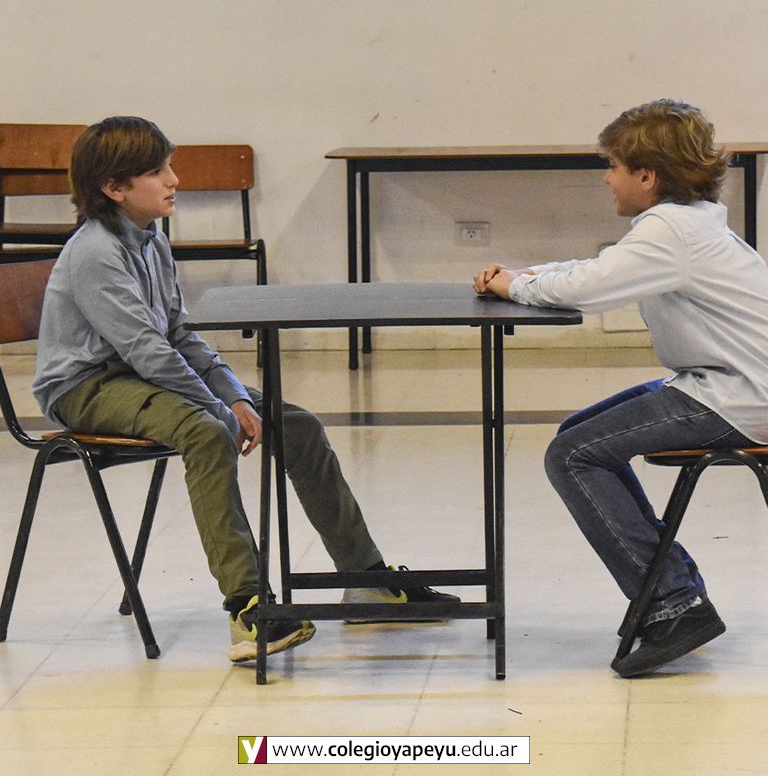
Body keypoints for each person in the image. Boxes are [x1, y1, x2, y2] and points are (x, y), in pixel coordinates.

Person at [33, 116, 458, 664]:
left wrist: (232, 394)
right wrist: (220, 410)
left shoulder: (151, 240)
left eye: (169, 167)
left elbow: (178, 334)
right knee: (206, 431)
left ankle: (365, 580)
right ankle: (248, 606)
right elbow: (146, 351)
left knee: (296, 424)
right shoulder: (96, 252)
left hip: (139, 375)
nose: (174, 180)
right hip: (87, 386)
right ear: (114, 188)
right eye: (158, 172)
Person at [473, 99, 768, 677]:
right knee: (578, 434)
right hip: (726, 383)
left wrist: (514, 286)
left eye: (612, 166)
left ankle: (675, 604)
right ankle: (672, 586)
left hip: (740, 396)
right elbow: (602, 268)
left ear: (647, 175)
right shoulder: (686, 223)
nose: (607, 178)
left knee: (572, 454)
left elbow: (587, 289)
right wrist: (524, 276)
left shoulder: (671, 231)